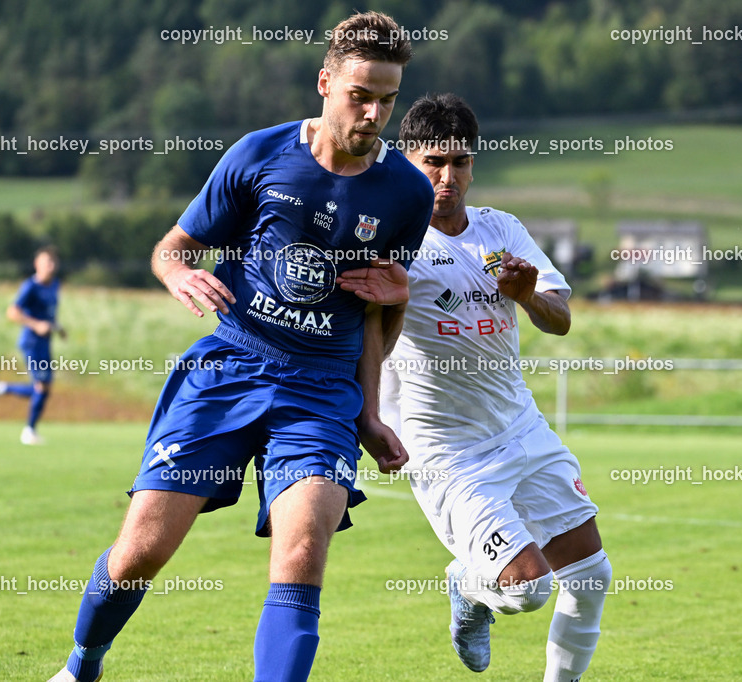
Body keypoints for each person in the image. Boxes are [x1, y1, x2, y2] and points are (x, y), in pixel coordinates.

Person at [48, 12, 433, 682]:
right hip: (230, 368)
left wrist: (371, 410)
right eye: (360, 95)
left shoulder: (407, 192)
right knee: (141, 550)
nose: (374, 112)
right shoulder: (259, 154)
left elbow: (379, 313)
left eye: (388, 99)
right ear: (324, 83)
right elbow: (172, 249)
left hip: (320, 391)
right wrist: (179, 272)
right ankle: (83, 663)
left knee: (303, 550)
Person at [381, 94, 611, 680]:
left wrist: (529, 295)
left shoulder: (501, 230)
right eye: (434, 161)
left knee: (591, 577)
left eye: (460, 162)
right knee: (530, 588)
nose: (448, 176)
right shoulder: (392, 243)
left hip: (521, 428)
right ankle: (467, 582)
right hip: (448, 453)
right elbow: (361, 338)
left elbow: (560, 318)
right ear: (406, 161)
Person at [0, 244, 66, 445]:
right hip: (31, 342)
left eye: (54, 262)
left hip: (45, 342)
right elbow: (12, 312)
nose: (51, 266)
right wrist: (36, 324)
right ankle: (28, 431)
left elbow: (47, 313)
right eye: (47, 262)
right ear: (36, 264)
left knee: (43, 389)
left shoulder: (54, 285)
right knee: (40, 387)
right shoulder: (30, 286)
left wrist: (58, 327)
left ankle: (1, 389)